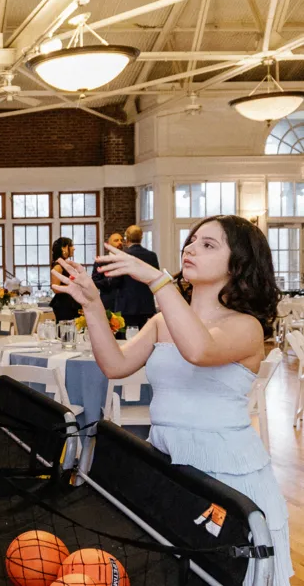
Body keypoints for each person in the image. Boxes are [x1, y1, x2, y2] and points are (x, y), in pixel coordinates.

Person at [53, 215, 292, 586]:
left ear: (238, 264)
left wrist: (155, 279)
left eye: (208, 244)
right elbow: (115, 365)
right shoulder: (162, 322)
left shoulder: (245, 327)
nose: (191, 248)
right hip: (168, 461)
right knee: (174, 571)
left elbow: (198, 348)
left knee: (222, 574)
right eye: (192, 240)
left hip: (225, 473)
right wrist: (92, 303)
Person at [113, 225, 161, 331]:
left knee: (125, 340)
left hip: (126, 305)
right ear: (141, 237)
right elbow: (156, 278)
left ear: (126, 238)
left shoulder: (122, 255)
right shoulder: (151, 256)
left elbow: (116, 281)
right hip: (146, 304)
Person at [49, 237, 82, 323]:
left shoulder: (65, 264)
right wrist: (74, 286)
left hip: (71, 302)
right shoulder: (58, 266)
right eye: (71, 245)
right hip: (64, 304)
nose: (74, 248)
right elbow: (55, 288)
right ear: (63, 248)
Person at [93, 232, 124, 310]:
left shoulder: (128, 260)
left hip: (127, 304)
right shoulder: (100, 261)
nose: (120, 242)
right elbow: (95, 282)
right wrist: (109, 280)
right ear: (108, 245)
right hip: (108, 303)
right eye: (116, 240)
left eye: (121, 240)